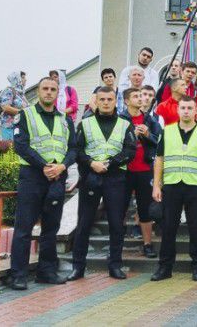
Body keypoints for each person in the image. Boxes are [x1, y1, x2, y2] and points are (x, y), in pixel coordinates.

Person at [10, 76, 77, 290]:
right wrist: (44, 166)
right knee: (24, 228)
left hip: (57, 177)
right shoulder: (25, 115)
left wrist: (62, 166)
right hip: (32, 177)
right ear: (38, 92)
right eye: (45, 88)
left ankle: (46, 272)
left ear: (57, 93)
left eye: (52, 89)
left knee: (51, 228)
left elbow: (74, 148)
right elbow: (20, 145)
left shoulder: (65, 120)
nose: (48, 92)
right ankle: (18, 275)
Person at [68, 86, 136, 281]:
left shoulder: (125, 124)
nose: (106, 103)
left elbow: (130, 150)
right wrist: (92, 163)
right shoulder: (85, 124)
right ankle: (78, 267)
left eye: (110, 99)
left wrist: (110, 163)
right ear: (96, 101)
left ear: (115, 101)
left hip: (116, 179)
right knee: (84, 223)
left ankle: (115, 266)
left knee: (116, 224)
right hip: (91, 177)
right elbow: (76, 150)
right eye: (102, 99)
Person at [151, 96, 197, 282]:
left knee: (196, 227)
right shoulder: (167, 131)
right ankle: (165, 267)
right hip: (172, 184)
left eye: (190, 108)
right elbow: (159, 159)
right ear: (178, 110)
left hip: (195, 185)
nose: (186, 111)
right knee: (168, 227)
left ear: (196, 111)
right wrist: (156, 185)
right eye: (183, 108)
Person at [120, 87, 161, 258]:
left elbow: (160, 141)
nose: (140, 99)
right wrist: (132, 135)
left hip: (145, 170)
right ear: (126, 101)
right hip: (125, 170)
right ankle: (116, 245)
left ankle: (147, 245)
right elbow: (115, 143)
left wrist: (148, 134)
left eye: (141, 96)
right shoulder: (120, 119)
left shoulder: (150, 119)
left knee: (145, 210)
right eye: (136, 96)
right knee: (119, 209)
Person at [0, 71, 29, 140]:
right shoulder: (8, 91)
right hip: (9, 128)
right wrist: (22, 113)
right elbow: (5, 107)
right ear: (16, 79)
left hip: (20, 128)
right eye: (23, 77)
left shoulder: (20, 94)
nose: (25, 80)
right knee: (10, 146)